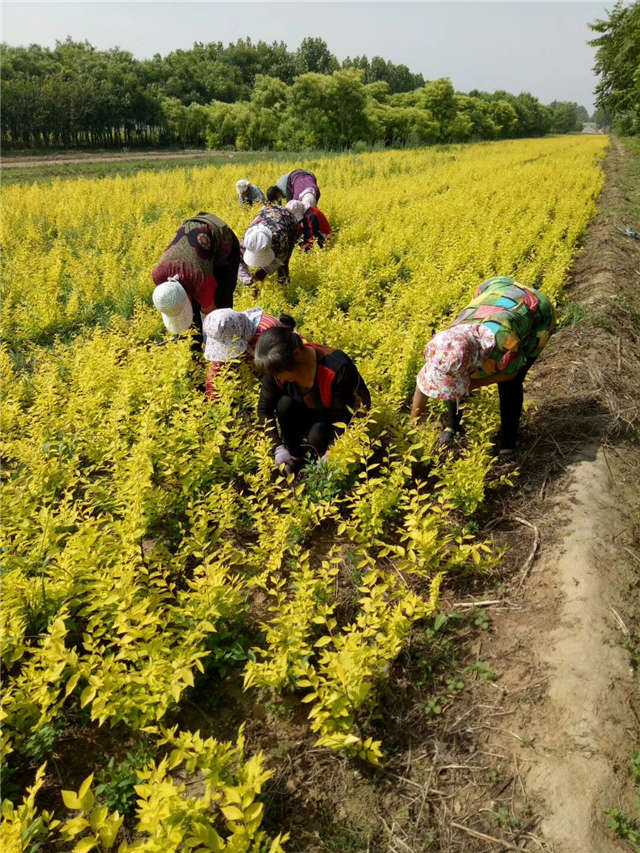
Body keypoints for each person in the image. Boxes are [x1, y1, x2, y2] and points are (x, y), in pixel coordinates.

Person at [410, 276, 555, 460]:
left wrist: (471, 384)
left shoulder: (504, 345)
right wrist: (413, 424)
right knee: (454, 378)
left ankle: (508, 444)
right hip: (495, 290)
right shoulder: (445, 345)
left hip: (536, 311)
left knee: (510, 387)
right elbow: (423, 384)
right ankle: (452, 426)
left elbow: (511, 374)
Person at [254, 326, 371, 476]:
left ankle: (316, 459)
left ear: (296, 355)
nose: (277, 378)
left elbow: (347, 416)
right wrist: (277, 447)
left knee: (317, 435)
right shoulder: (275, 369)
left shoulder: (337, 369)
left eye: (279, 373)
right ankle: (295, 455)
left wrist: (332, 453)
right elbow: (264, 410)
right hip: (309, 410)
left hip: (336, 417)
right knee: (284, 404)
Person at [151, 212, 240, 350]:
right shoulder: (158, 276)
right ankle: (195, 348)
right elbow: (176, 303)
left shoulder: (200, 281)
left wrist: (211, 344)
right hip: (194, 249)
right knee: (193, 317)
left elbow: (211, 315)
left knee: (222, 303)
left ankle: (226, 347)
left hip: (221, 240)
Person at [203, 307, 295, 401]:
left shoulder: (266, 333)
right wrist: (211, 397)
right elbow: (216, 367)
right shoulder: (233, 328)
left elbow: (281, 371)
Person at [238, 204, 299, 288]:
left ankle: (284, 284)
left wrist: (264, 271)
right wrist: (247, 280)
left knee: (283, 264)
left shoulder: (280, 237)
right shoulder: (247, 241)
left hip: (288, 220)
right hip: (266, 214)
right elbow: (239, 261)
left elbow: (281, 257)